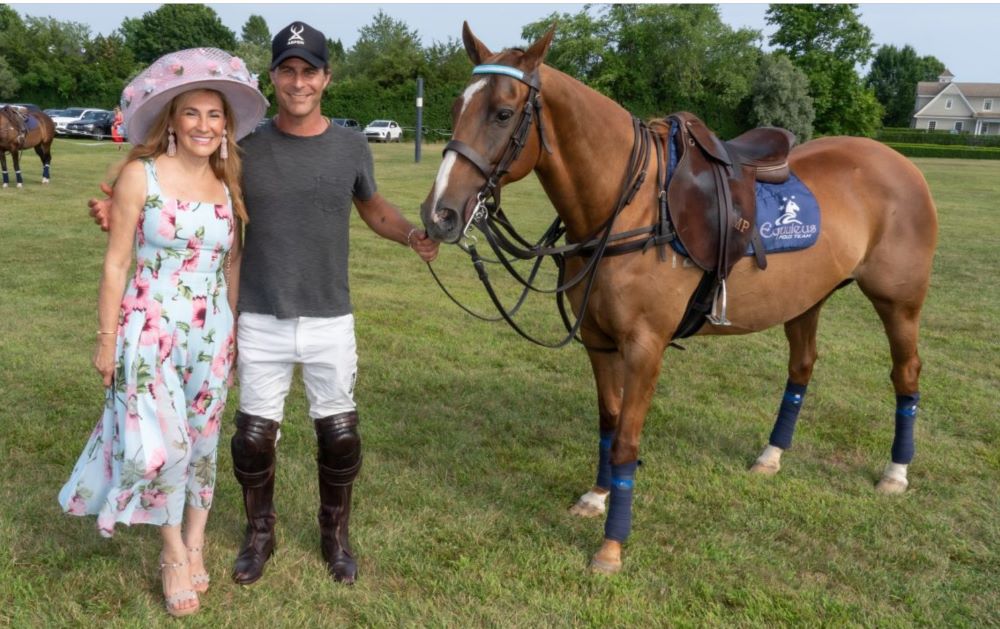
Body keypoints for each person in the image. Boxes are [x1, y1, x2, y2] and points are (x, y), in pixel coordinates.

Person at [89, 21, 439, 586]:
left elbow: (373, 209)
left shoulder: (351, 145)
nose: (298, 82)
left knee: (340, 431)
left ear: (326, 78)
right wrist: (119, 212)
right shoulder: (243, 149)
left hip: (329, 311)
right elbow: (188, 198)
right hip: (256, 313)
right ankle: (260, 535)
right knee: (253, 436)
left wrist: (411, 237)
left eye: (309, 71)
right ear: (273, 77)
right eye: (286, 70)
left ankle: (336, 536)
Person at [62, 48, 267, 617]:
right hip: (149, 329)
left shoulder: (229, 182)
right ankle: (172, 551)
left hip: (212, 333)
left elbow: (232, 264)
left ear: (226, 127)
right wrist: (106, 339)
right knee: (167, 446)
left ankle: (196, 541)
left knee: (201, 443)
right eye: (193, 113)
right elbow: (115, 265)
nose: (205, 125)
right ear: (172, 119)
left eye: (215, 116)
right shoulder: (139, 176)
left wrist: (233, 335)